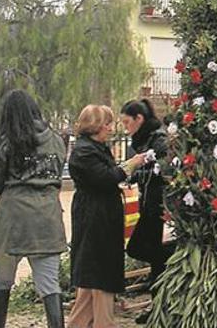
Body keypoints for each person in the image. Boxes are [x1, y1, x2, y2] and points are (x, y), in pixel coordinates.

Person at [0, 90, 68, 328]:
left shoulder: (7, 142)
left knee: (2, 280)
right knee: (49, 285)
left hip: (12, 221)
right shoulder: (55, 139)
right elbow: (58, 179)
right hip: (47, 220)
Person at [68, 105, 148, 328]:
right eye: (108, 123)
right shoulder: (84, 152)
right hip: (94, 218)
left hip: (102, 215)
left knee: (91, 277)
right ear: (95, 126)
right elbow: (105, 177)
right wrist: (130, 165)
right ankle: (104, 323)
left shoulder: (96, 147)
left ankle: (79, 323)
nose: (112, 129)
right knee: (99, 273)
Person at [119, 99, 169, 324]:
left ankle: (159, 305)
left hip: (158, 206)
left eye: (127, 122)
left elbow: (161, 169)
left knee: (143, 250)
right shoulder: (142, 139)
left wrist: (138, 169)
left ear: (139, 118)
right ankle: (158, 305)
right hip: (149, 204)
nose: (125, 127)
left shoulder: (157, 139)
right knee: (146, 253)